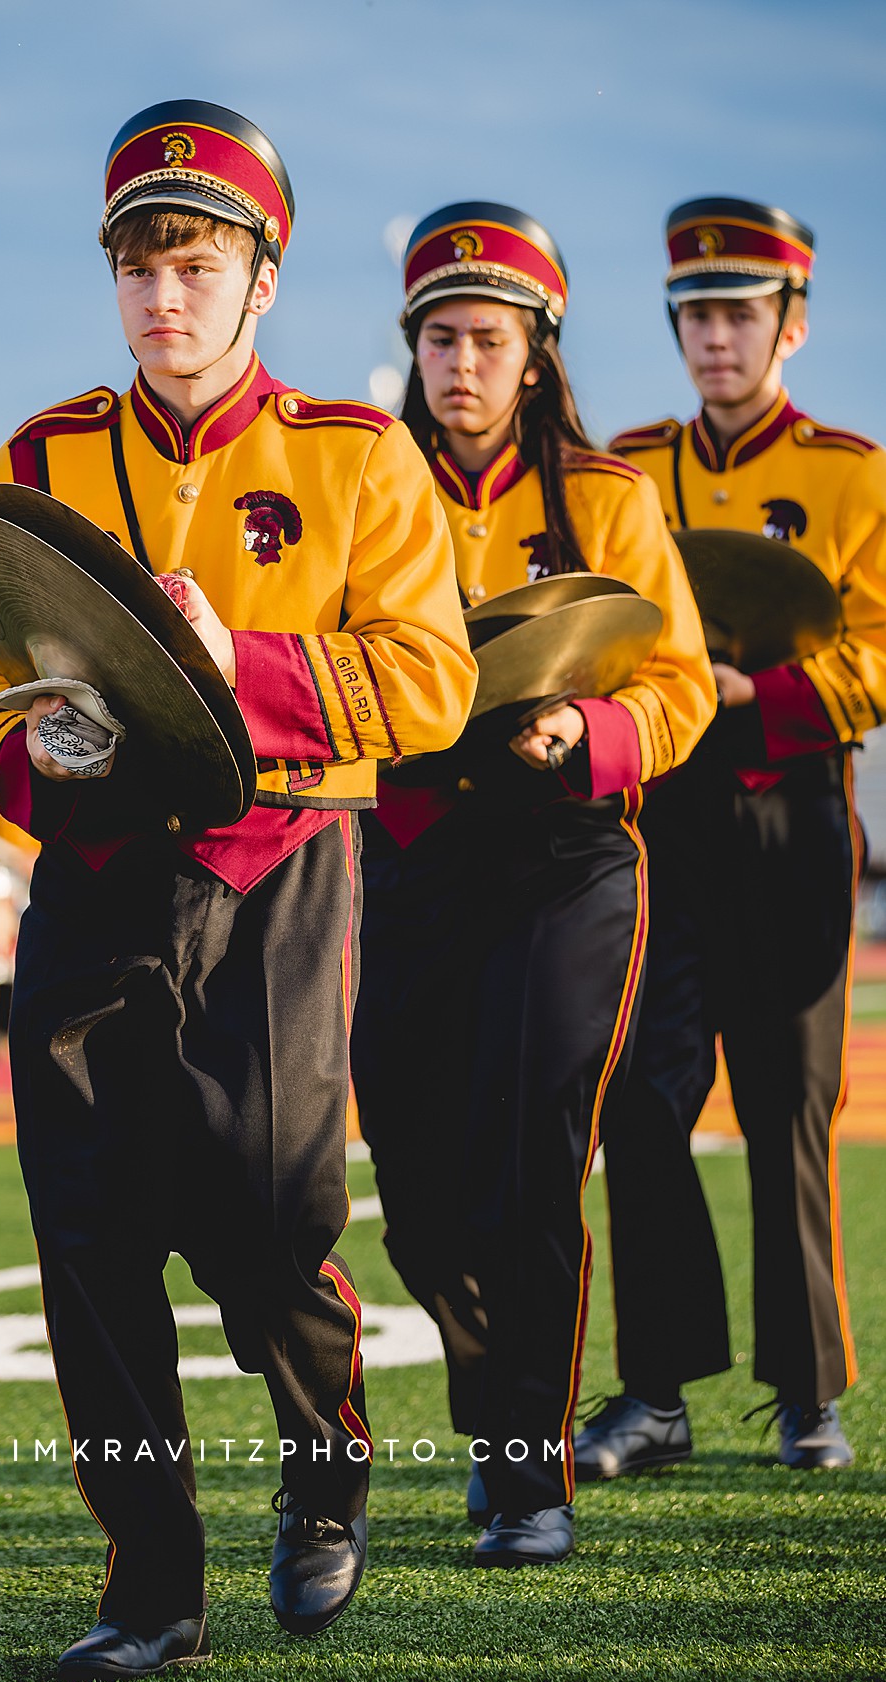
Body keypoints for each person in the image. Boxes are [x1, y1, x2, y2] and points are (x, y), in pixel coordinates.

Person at [0, 101, 476, 1681]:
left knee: (269, 1210)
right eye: (135, 266)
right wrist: (37, 739)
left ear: (263, 277)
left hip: (280, 865)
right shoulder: (42, 452)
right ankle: (149, 1579)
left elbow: (432, 683)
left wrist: (222, 661)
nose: (162, 295)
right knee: (89, 1231)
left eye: (195, 261)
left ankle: (326, 1473)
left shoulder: (356, 453)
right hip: (97, 874)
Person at [349, 203, 715, 1567]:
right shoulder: (363, 485)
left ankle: (525, 1473)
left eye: (486, 338)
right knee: (420, 1190)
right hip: (413, 848)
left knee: (532, 1156)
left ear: (536, 350)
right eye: (438, 336)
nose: (460, 362)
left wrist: (583, 730)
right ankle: (495, 1381)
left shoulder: (612, 496)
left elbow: (673, 686)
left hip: (569, 855)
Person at [578, 199, 886, 1477]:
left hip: (793, 808)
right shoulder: (628, 463)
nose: (715, 336)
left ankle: (809, 1394)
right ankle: (656, 1391)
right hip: (664, 814)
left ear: (791, 324)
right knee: (641, 1102)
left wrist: (767, 693)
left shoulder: (854, 472)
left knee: (787, 1107)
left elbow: (878, 653)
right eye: (697, 315)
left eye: (740, 314)